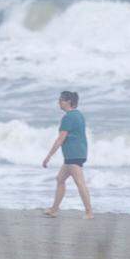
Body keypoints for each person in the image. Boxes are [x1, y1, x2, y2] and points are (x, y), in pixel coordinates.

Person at [42, 91, 93, 219]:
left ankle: (89, 212)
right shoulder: (78, 115)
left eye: (61, 100)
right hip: (77, 152)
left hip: (73, 154)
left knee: (80, 182)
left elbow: (60, 139)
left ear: (68, 101)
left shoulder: (68, 117)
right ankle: (54, 209)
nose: (59, 103)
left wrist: (48, 156)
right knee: (60, 179)